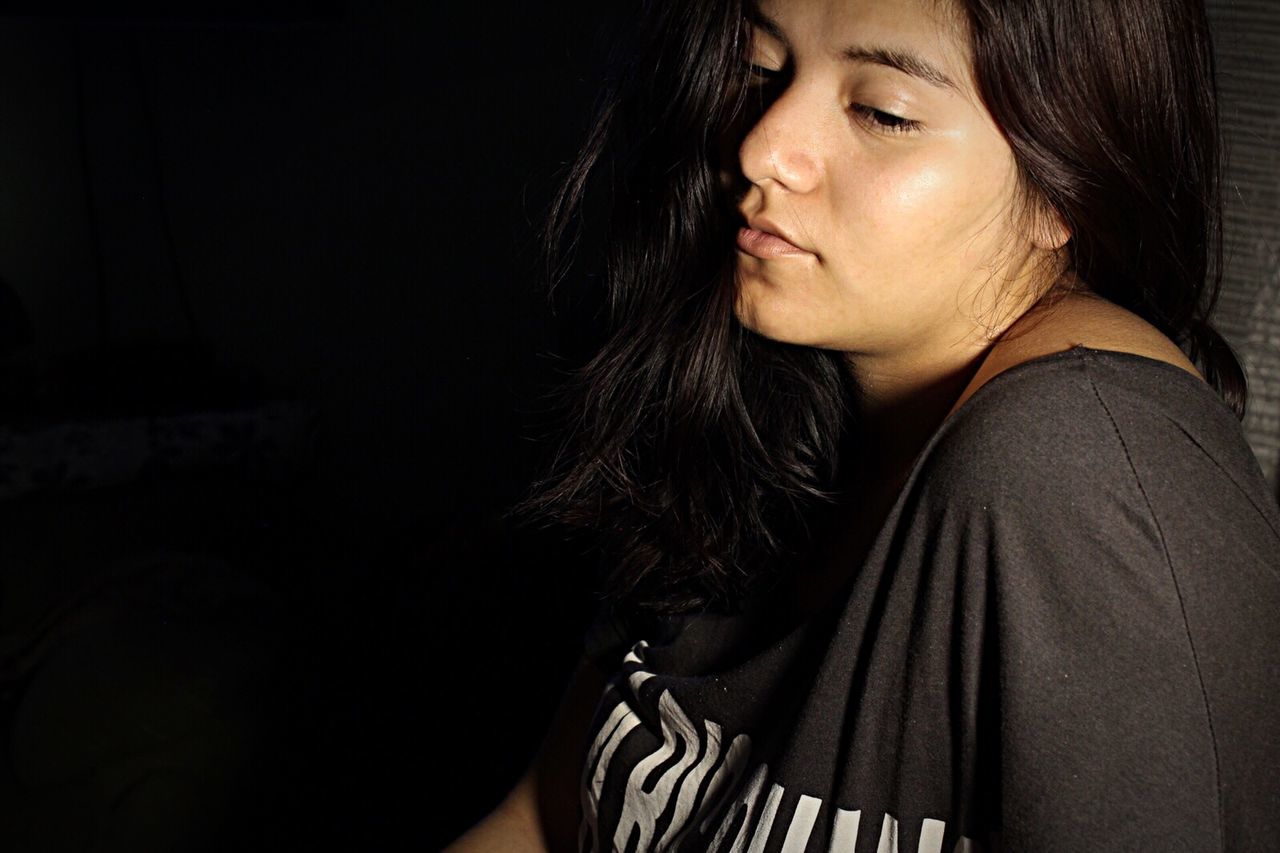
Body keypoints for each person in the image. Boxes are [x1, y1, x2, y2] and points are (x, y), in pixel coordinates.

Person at [447, 0, 1280, 849]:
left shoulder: (1081, 473)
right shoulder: (772, 403)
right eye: (758, 66)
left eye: (882, 111)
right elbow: (546, 820)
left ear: (1066, 182)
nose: (760, 147)